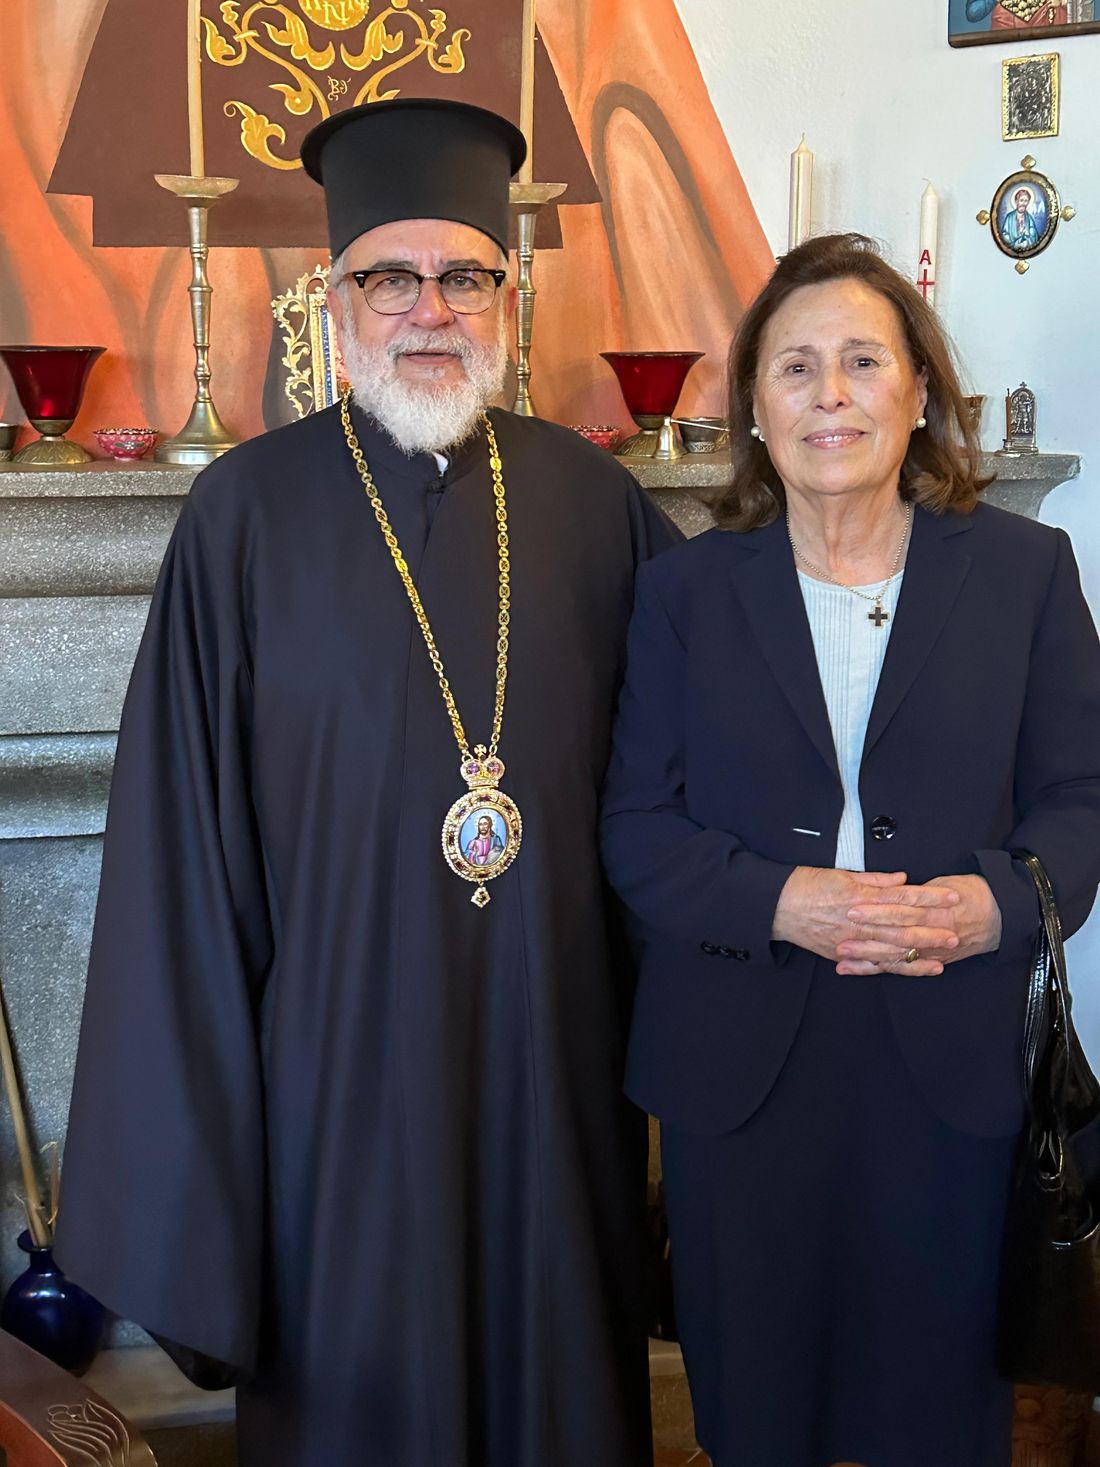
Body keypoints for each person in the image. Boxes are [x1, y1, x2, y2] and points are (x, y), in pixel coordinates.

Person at [55, 98, 678, 1467]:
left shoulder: (599, 511)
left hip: (555, 1067)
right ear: (331, 302)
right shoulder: (243, 516)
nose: (430, 311)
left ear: (508, 297)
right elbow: (179, 859)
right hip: (335, 1087)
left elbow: (680, 801)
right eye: (390, 277)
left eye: (466, 277)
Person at [600, 233, 1100, 1467]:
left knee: (938, 1411)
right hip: (738, 1067)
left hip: (948, 1057)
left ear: (917, 390)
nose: (829, 394)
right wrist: (783, 901)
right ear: (754, 409)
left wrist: (991, 906)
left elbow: (1079, 799)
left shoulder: (1026, 573)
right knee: (755, 1410)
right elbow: (635, 829)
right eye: (794, 366)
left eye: (863, 361)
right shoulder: (681, 594)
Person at [1000, 187, 1041, 252]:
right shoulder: (1009, 217)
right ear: (1016, 201)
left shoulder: (1029, 218)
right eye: (1021, 200)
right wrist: (1014, 243)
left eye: (1026, 201)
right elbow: (1005, 234)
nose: (1023, 204)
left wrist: (1026, 233)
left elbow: (1034, 235)